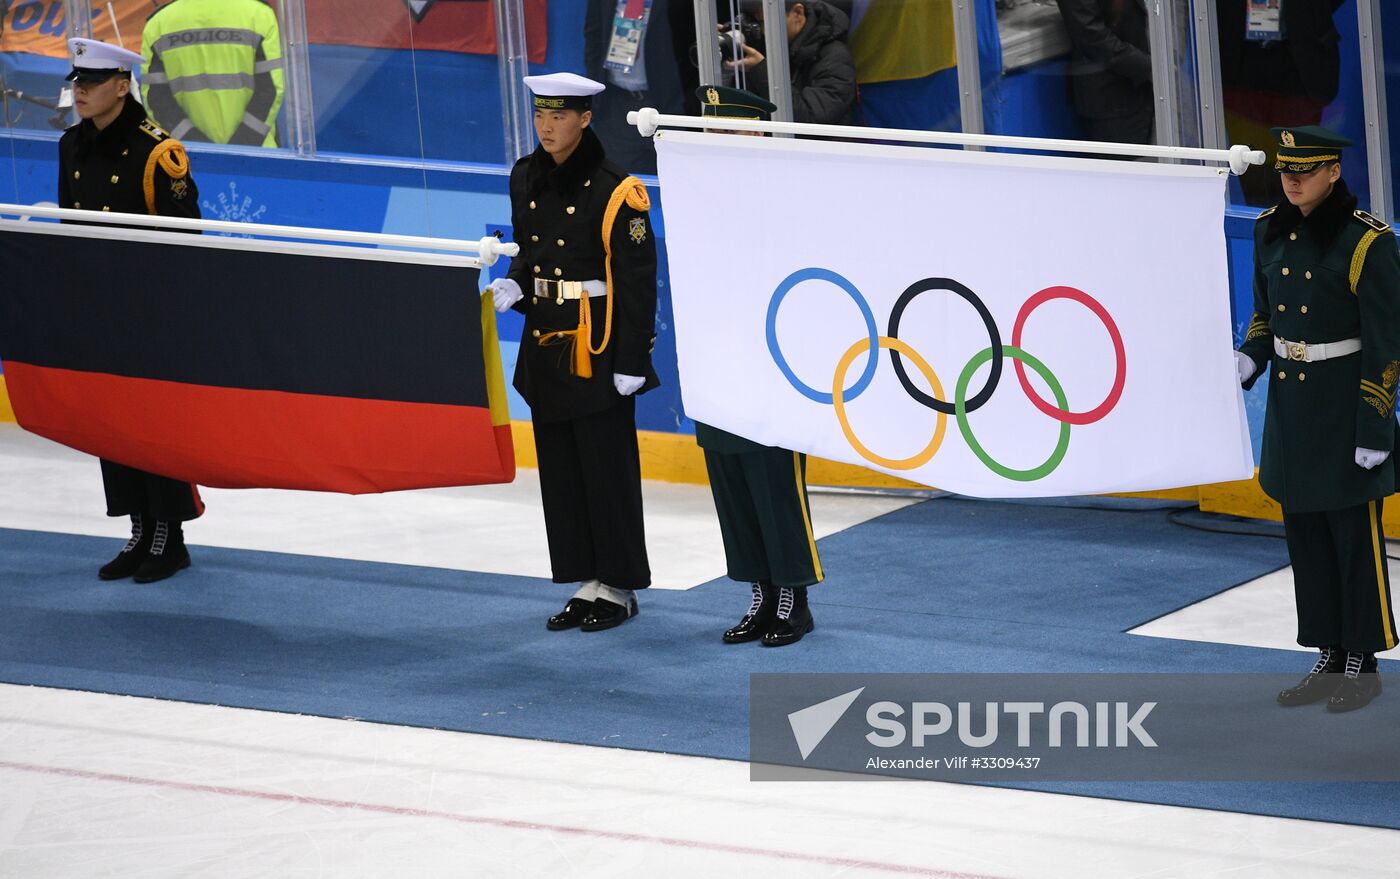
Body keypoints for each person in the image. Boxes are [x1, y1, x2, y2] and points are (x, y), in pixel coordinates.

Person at [1235, 125, 1400, 712]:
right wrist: (1249, 360)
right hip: (1293, 410)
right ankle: (1328, 653)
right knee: (1306, 540)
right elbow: (1263, 315)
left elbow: (1386, 343)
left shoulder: (1366, 242)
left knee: (1354, 540)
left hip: (1343, 408)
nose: (1293, 180)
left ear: (1333, 172)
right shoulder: (1268, 230)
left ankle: (1364, 659)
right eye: (1285, 171)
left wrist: (1375, 426)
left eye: (1305, 171)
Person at [490, 72, 659, 632]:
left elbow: (637, 282)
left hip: (598, 345)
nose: (547, 126)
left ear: (585, 119)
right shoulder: (525, 175)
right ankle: (587, 579)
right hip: (545, 340)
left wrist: (632, 360)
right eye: (540, 115)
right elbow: (528, 249)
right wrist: (516, 284)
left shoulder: (618, 190)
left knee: (606, 470)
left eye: (559, 116)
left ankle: (619, 584)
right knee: (562, 471)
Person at [57, 38, 203, 584]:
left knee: (154, 426)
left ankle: (170, 535)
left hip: (151, 315)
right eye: (76, 84)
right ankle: (139, 528)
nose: (81, 94)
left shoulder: (158, 153)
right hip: (99, 310)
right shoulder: (71, 145)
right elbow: (72, 233)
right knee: (112, 424)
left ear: (122, 86)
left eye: (91, 84)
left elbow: (188, 240)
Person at [692, 84, 823, 647]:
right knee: (728, 472)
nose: (718, 140)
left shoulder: (786, 194)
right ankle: (759, 592)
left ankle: (793, 593)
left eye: (730, 129)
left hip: (771, 355)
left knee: (771, 474)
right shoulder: (697, 192)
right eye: (711, 130)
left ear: (759, 132)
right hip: (716, 351)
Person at [1218, 0, 1344, 206]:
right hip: (1240, 62)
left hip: (1299, 61)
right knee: (1254, 173)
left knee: (1302, 171)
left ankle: (1303, 231)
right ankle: (1266, 230)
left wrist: (1306, 11)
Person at [141, 0, 285, 147]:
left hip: (189, 156)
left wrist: (195, 144)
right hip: (258, 155)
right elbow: (271, 90)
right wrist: (242, 145)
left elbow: (156, 100)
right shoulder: (260, 14)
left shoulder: (157, 24)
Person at [729, 0, 856, 126]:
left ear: (798, 13)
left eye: (765, 22)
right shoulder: (771, 46)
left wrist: (761, 71)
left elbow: (810, 119)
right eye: (756, 24)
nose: (763, 31)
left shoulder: (835, 58)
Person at [1054, 0, 1153, 146]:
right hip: (1113, 97)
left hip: (1154, 87)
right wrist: (1148, 67)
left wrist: (1172, 56)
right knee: (1125, 166)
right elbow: (1091, 36)